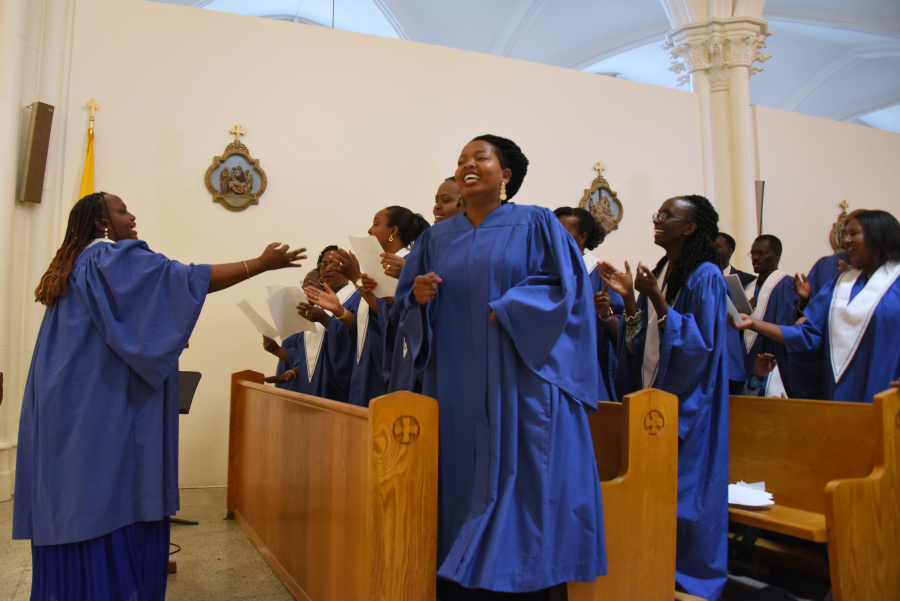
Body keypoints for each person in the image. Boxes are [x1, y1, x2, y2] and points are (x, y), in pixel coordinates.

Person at [13, 192, 305, 600]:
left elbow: (116, 330)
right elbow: (179, 279)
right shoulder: (105, 258)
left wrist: (161, 340)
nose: (131, 216)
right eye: (121, 210)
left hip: (70, 402)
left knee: (77, 496)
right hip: (96, 409)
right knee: (104, 494)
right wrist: (257, 264)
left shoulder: (80, 265)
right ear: (101, 221)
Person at [396, 135, 606, 599]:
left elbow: (566, 290)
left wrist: (517, 305)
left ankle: (521, 578)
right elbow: (404, 304)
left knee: (522, 478)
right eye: (461, 160)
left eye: (480, 158)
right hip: (453, 383)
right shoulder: (434, 238)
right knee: (458, 478)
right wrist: (419, 298)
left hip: (519, 380)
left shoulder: (537, 223)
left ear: (505, 174)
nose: (468, 165)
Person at [600, 194, 729, 600]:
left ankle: (691, 579)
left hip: (690, 400)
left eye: (668, 216)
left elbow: (700, 345)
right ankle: (651, 560)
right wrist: (627, 299)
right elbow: (643, 341)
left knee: (687, 491)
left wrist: (654, 295)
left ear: (690, 227)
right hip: (653, 396)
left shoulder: (705, 274)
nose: (658, 220)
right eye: (658, 213)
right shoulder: (665, 269)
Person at [732, 210, 900, 403]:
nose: (845, 241)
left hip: (888, 390)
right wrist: (753, 323)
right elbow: (808, 334)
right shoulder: (839, 286)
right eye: (844, 234)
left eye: (853, 234)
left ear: (878, 237)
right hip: (839, 393)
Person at [334, 206, 429, 406]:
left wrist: (356, 278)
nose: (370, 230)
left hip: (401, 358)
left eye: (376, 223)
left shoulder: (409, 262)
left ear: (393, 231)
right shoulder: (382, 267)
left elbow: (395, 313)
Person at [554, 206, 623, 402]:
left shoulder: (600, 274)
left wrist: (606, 314)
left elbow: (623, 333)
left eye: (562, 232)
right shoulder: (544, 270)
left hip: (589, 371)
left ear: (582, 237)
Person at [276, 246, 359, 402]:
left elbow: (360, 338)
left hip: (337, 391)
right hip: (310, 388)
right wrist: (292, 373)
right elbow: (307, 355)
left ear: (347, 269)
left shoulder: (357, 299)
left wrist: (326, 320)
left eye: (334, 264)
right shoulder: (318, 308)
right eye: (323, 265)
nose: (327, 268)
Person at [742, 235, 797, 396]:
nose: (756, 258)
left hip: (773, 364)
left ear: (777, 255)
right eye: (752, 254)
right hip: (745, 361)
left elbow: (786, 327)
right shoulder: (746, 289)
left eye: (762, 253)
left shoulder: (787, 285)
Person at [261, 268, 322, 391]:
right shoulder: (300, 314)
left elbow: (309, 359)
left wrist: (276, 350)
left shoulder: (320, 319)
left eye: (309, 283)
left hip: (304, 388)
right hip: (287, 382)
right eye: (303, 283)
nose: (304, 287)